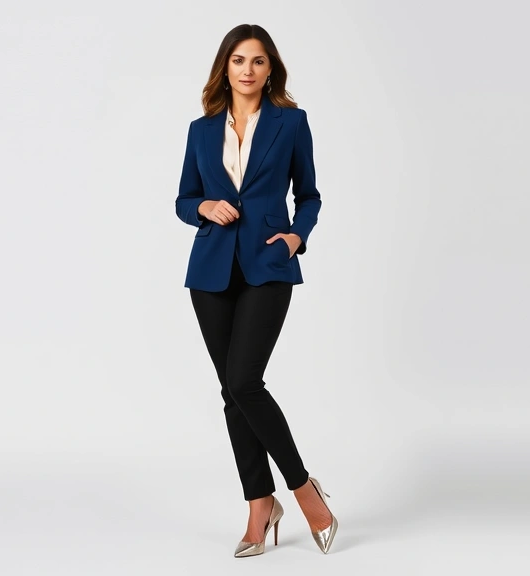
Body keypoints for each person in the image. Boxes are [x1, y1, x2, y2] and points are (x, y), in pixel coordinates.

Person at [174, 24, 338, 557]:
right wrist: (202, 207)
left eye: (259, 61)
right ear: (225, 66)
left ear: (271, 70)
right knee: (231, 392)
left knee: (245, 381)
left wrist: (297, 236)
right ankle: (258, 504)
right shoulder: (201, 131)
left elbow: (309, 194)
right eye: (239, 60)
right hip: (211, 270)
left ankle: (303, 488)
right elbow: (183, 199)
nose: (248, 69)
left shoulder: (292, 124)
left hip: (268, 264)